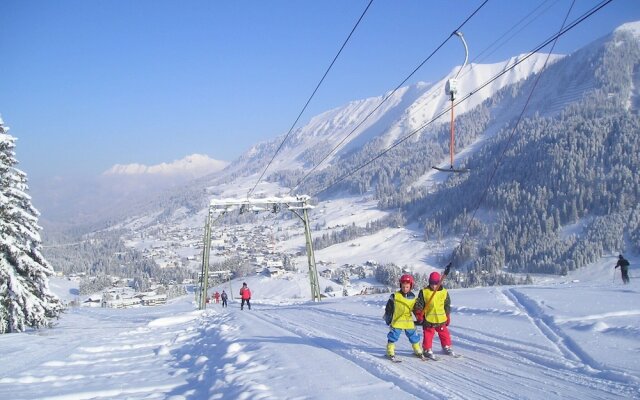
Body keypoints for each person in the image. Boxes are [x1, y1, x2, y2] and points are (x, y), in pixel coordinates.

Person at [414, 270, 455, 359]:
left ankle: (446, 346)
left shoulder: (444, 292)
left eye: (436, 283)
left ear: (439, 282)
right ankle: (427, 349)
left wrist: (447, 315)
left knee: (444, 333)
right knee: (428, 334)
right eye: (432, 283)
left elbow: (447, 305)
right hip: (429, 318)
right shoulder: (424, 292)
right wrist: (419, 314)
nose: (433, 285)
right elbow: (419, 305)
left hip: (441, 318)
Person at [383, 274, 424, 361]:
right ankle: (390, 349)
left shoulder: (413, 298)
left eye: (407, 287)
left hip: (408, 320)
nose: (405, 289)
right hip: (397, 320)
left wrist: (419, 316)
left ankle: (417, 348)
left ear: (411, 286)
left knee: (413, 335)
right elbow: (389, 308)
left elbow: (415, 309)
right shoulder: (395, 296)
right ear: (400, 285)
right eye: (403, 286)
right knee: (394, 335)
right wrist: (388, 318)